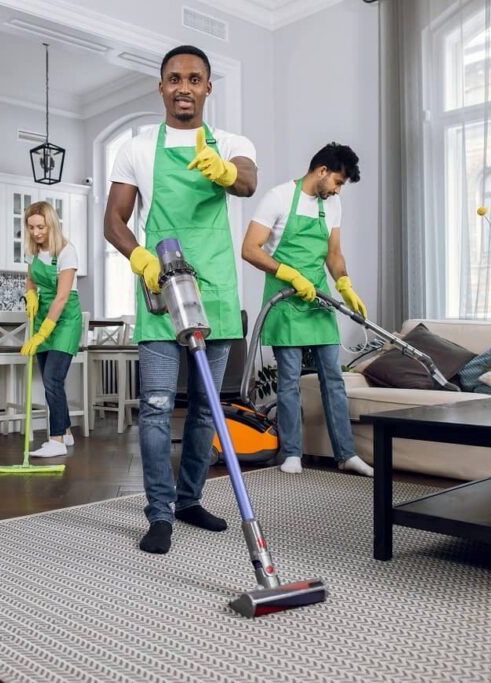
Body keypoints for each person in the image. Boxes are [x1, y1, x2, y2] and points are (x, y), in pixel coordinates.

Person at [104, 45, 258, 554]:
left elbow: (249, 182)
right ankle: (159, 513)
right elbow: (114, 221)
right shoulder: (138, 147)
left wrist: (226, 172)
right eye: (174, 79)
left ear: (209, 87)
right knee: (154, 407)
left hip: (213, 287)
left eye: (194, 79)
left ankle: (190, 500)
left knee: (206, 410)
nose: (184, 87)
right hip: (161, 284)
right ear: (162, 86)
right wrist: (139, 258)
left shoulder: (232, 142)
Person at [241, 142, 373, 478]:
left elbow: (334, 253)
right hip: (285, 298)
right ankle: (292, 453)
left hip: (319, 300)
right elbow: (250, 249)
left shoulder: (334, 205)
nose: (338, 190)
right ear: (323, 171)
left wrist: (344, 284)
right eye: (338, 182)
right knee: (288, 382)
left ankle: (346, 454)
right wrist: (288, 273)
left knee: (334, 379)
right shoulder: (279, 197)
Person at [21, 201, 83, 457]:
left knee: (52, 379)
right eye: (31, 227)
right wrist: (30, 295)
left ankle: (55, 441)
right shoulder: (32, 252)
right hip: (43, 314)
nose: (36, 233)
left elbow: (61, 297)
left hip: (65, 318)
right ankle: (66, 433)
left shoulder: (67, 251)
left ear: (51, 224)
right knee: (51, 381)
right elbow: (30, 278)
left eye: (40, 227)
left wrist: (43, 333)